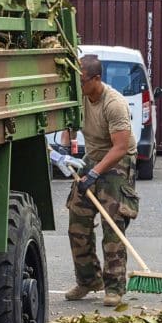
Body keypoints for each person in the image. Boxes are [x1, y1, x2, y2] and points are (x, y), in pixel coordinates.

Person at [60, 54, 139, 307]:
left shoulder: (114, 104)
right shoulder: (80, 97)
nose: (79, 85)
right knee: (77, 222)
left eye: (82, 80)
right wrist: (64, 150)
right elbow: (70, 128)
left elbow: (120, 147)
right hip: (92, 158)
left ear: (96, 79)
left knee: (112, 224)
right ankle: (88, 280)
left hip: (118, 161)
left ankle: (114, 287)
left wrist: (94, 174)